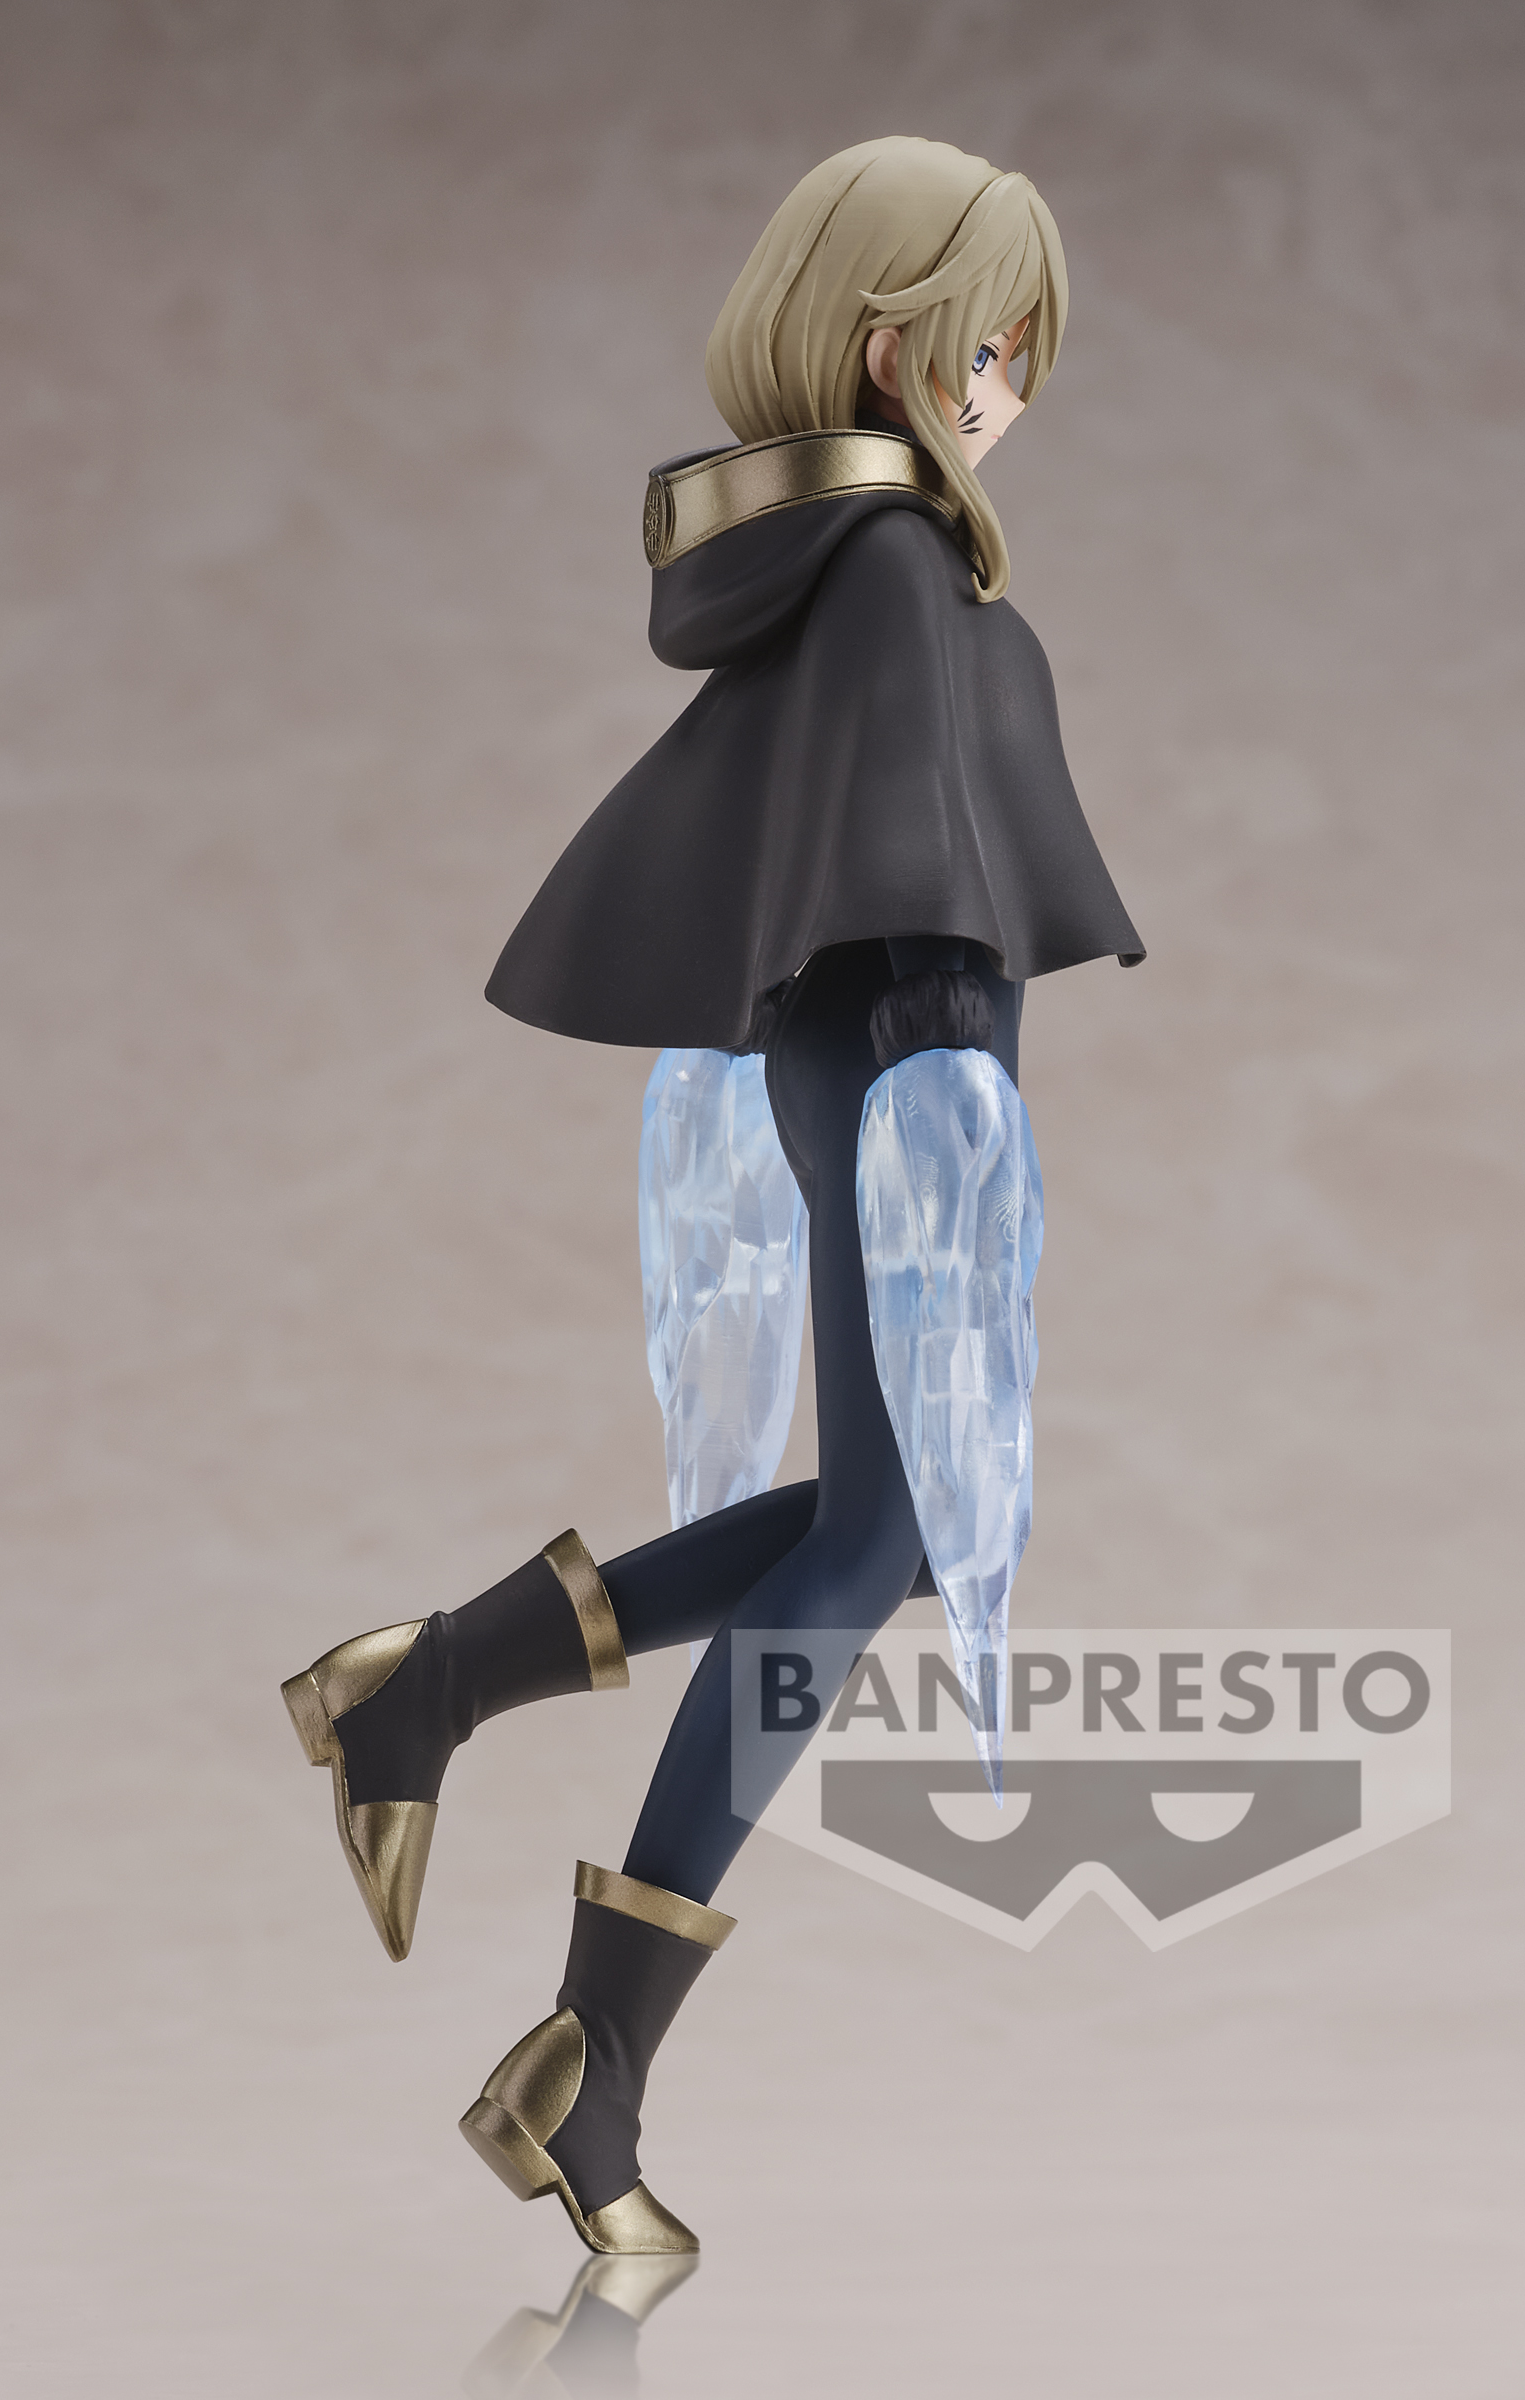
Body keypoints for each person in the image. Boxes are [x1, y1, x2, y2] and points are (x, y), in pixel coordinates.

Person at [281, 134, 1141, 2256]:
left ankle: (444, 1703)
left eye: (1026, 353)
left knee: (886, 1529)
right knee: (876, 1539)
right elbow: (908, 834)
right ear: (882, 332)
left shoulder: (842, 555)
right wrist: (947, 1059)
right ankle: (584, 2040)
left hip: (867, 1042)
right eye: (981, 340)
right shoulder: (890, 564)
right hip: (901, 1043)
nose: (1004, 385)